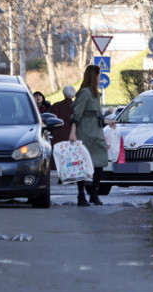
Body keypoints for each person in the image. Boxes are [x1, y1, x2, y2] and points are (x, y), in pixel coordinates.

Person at [68, 65, 115, 207]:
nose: (100, 79)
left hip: (97, 131)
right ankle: (81, 195)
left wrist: (108, 122)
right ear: (93, 76)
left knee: (99, 163)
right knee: (82, 165)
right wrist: (73, 132)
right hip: (85, 132)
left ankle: (94, 194)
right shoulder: (85, 93)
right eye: (99, 76)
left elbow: (96, 114)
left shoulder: (95, 94)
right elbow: (77, 113)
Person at [48, 85, 76, 171]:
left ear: (63, 94)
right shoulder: (76, 107)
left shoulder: (56, 106)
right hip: (73, 136)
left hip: (58, 137)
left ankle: (60, 174)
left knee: (59, 158)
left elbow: (50, 122)